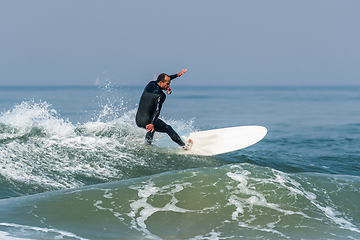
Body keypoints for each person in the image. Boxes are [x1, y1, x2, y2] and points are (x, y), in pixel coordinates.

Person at [136, 69, 193, 149]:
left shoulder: (150, 84)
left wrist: (177, 75)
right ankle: (185, 146)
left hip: (138, 119)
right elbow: (157, 110)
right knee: (167, 128)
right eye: (167, 84)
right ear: (160, 83)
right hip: (147, 120)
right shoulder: (161, 95)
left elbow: (165, 79)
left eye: (169, 83)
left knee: (152, 127)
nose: (169, 86)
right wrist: (152, 123)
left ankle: (147, 145)